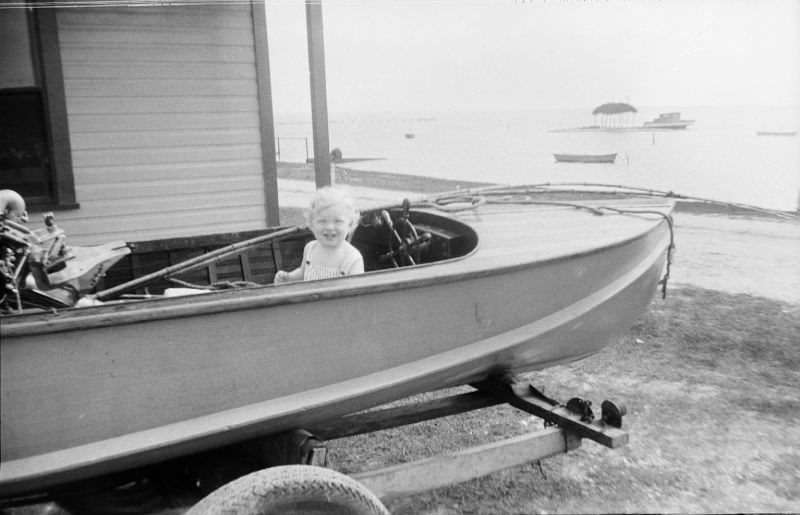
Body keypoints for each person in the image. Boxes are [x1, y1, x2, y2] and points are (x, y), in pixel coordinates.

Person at [273, 186, 364, 284]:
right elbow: (303, 272)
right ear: (312, 224)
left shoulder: (352, 259)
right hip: (310, 298)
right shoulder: (310, 248)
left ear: (350, 225)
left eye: (338, 221)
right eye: (322, 221)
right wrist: (289, 277)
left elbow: (358, 293)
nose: (329, 227)